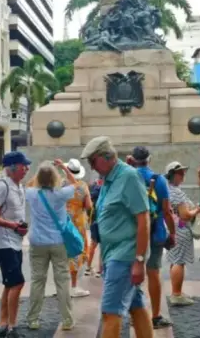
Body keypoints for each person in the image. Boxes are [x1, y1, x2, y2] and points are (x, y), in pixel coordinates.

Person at [80, 137, 154, 338]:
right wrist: (103, 257)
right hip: (114, 254)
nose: (91, 167)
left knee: (110, 312)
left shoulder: (128, 177)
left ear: (106, 157)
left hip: (125, 256)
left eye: (93, 161)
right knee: (136, 306)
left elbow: (143, 219)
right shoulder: (109, 179)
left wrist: (139, 260)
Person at [24, 160, 77, 331]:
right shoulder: (61, 194)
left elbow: (28, 185)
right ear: (55, 178)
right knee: (62, 280)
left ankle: (33, 319)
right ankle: (67, 319)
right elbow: (74, 183)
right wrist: (63, 167)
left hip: (38, 242)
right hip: (58, 241)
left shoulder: (32, 193)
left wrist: (41, 173)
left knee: (37, 280)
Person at [0, 151, 31, 338]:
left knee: (9, 283)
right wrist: (12, 225)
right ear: (12, 167)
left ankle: (2, 323)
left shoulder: (19, 186)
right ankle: (12, 326)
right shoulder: (2, 186)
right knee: (18, 283)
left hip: (15, 241)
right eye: (23, 166)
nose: (26, 169)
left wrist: (20, 228)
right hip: (4, 242)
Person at [130, 146, 175, 328]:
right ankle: (156, 316)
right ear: (149, 159)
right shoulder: (159, 179)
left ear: (133, 160)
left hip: (133, 232)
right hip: (155, 231)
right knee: (153, 272)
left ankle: (136, 315)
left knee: (134, 271)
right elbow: (167, 210)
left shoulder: (129, 177)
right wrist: (172, 232)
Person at [165, 161, 200, 307]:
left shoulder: (168, 190)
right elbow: (185, 215)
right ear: (173, 175)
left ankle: (176, 291)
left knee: (175, 260)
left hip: (173, 228)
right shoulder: (176, 192)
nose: (183, 175)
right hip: (180, 229)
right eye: (180, 173)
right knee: (179, 261)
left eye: (183, 172)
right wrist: (197, 210)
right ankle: (176, 294)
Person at [63, 158, 92, 298]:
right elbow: (89, 206)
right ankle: (74, 287)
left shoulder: (61, 184)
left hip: (63, 221)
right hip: (78, 222)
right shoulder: (82, 186)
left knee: (63, 251)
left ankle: (62, 286)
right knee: (76, 251)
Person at [85, 176, 103, 278]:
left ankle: (88, 268)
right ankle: (100, 271)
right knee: (103, 246)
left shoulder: (92, 188)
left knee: (93, 244)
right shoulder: (106, 189)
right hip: (103, 220)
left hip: (93, 219)